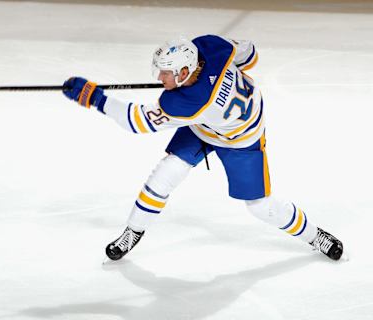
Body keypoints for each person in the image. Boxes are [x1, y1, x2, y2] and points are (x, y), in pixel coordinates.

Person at [62, 35, 343, 262]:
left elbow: (136, 121)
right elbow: (250, 55)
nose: (160, 77)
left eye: (166, 73)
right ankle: (133, 231)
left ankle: (314, 235)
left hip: (241, 139)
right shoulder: (210, 45)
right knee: (164, 174)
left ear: (185, 72)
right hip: (208, 125)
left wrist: (95, 99)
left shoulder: (188, 103)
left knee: (261, 206)